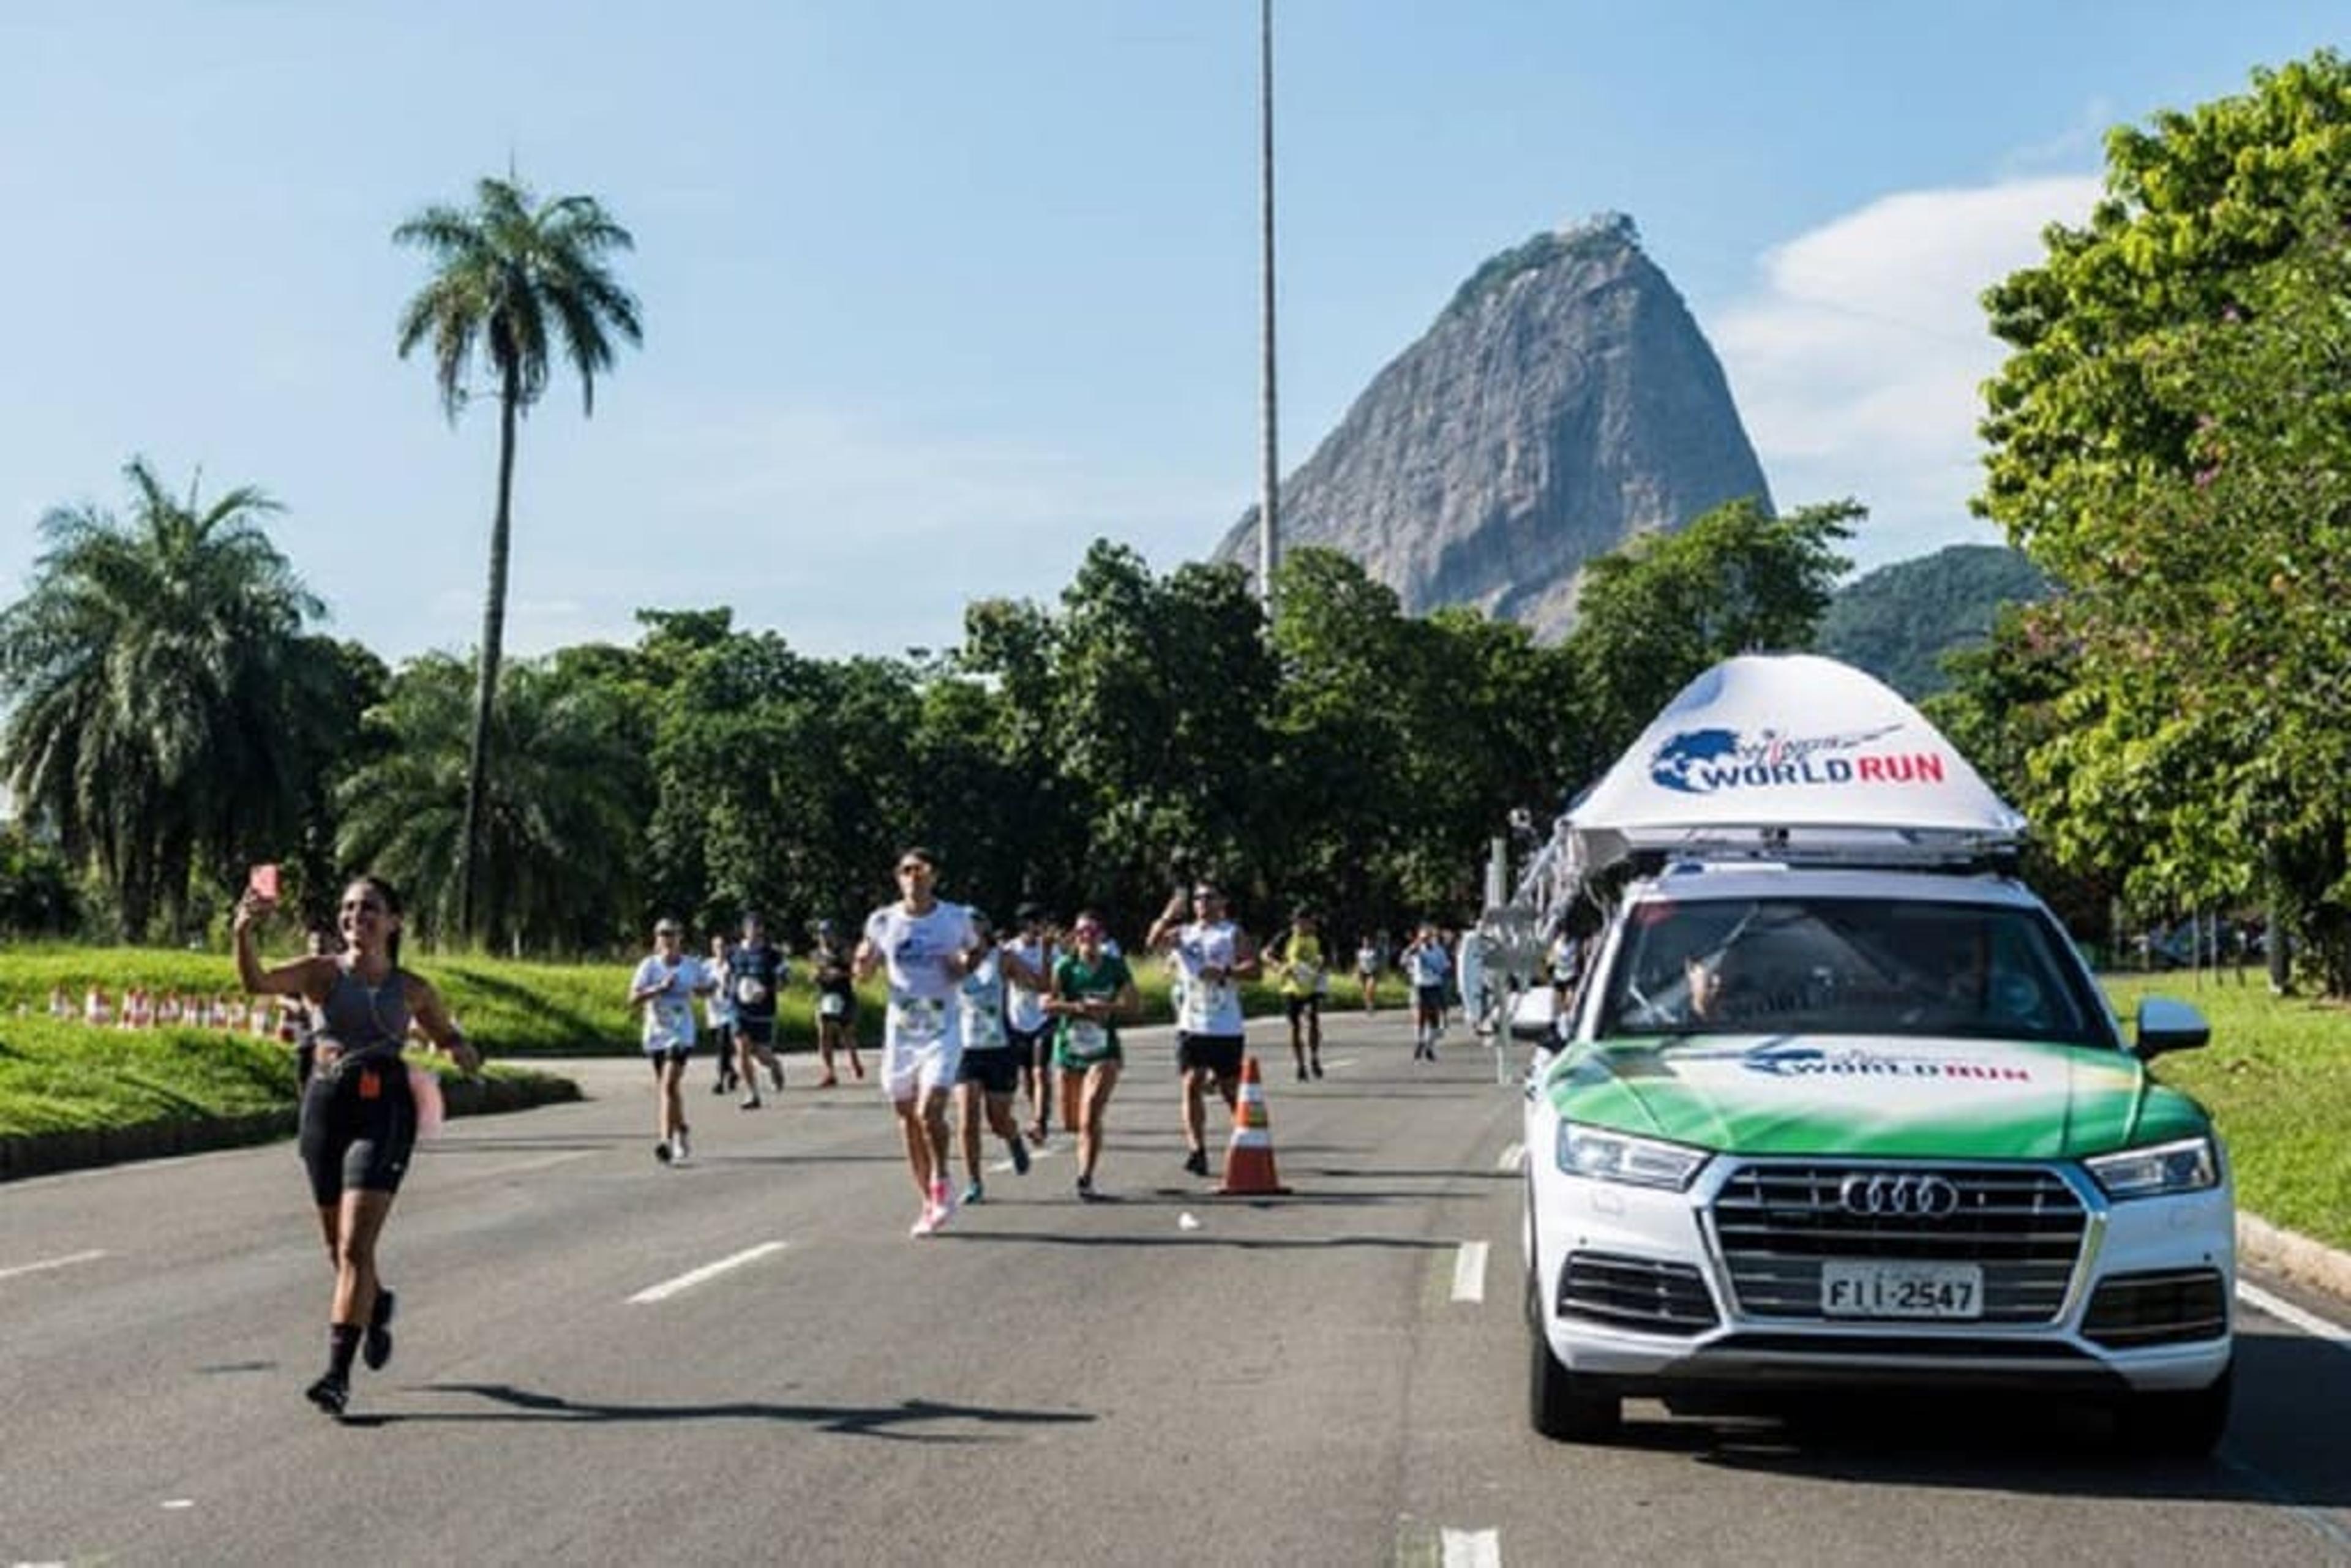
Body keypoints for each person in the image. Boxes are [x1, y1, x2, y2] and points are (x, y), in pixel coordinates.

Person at [234, 873, 479, 1420]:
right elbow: (257, 982)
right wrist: (243, 933)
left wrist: (463, 1048)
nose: (355, 917)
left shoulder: (411, 988)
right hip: (325, 1108)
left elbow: (444, 1033)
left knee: (352, 1248)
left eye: (369, 908)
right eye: (348, 908)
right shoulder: (321, 974)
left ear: (393, 921)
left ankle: (337, 1376)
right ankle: (378, 1302)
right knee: (338, 1251)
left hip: (384, 1111)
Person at [854, 847, 983, 1237]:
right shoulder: (882, 921)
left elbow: (978, 953)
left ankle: (942, 1182)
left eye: (921, 870)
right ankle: (927, 1200)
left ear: (934, 876)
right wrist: (861, 964)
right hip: (902, 1032)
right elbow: (865, 970)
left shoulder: (955, 918)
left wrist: (962, 966)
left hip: (942, 1027)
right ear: (898, 877)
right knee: (907, 1116)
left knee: (930, 1110)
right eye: (907, 870)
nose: (914, 877)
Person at [1146, 880, 1260, 1179]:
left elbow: (1255, 970)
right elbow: (1153, 943)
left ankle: (1251, 1145)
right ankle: (1197, 1151)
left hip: (1225, 1025)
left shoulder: (1232, 932)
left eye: (1209, 897)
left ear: (1222, 902)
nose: (1202, 903)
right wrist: (1169, 913)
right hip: (1191, 1023)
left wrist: (1225, 972)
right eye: (1198, 898)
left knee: (1229, 1090)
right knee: (1191, 1083)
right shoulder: (1184, 933)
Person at [1046, 909, 1139, 1200]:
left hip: (1104, 1050)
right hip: (1070, 1049)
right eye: (1081, 932)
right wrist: (1077, 1009)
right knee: (1072, 1122)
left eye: (1092, 931)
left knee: (1089, 1118)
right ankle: (1087, 1143)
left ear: (1101, 936)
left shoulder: (1114, 966)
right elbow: (1047, 1004)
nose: (1087, 937)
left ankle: (1085, 1178)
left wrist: (1107, 1009)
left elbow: (1134, 1005)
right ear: (1075, 937)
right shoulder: (1064, 967)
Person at [953, 912, 1035, 1204]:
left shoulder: (1003, 958)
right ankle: (974, 1181)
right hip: (965, 1049)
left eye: (973, 926)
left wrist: (1044, 961)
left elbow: (1039, 984)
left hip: (1000, 1048)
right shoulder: (952, 960)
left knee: (998, 1120)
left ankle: (1013, 1138)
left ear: (984, 929)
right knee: (967, 1117)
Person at [629, 918, 716, 1166]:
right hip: (657, 1033)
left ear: (680, 938)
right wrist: (658, 988)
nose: (667, 939)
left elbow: (706, 988)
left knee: (668, 1085)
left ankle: (665, 1142)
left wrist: (708, 988)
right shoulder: (649, 966)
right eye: (662, 934)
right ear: (657, 939)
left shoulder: (690, 965)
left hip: (682, 1033)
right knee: (669, 1089)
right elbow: (633, 998)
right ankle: (682, 1129)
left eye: (672, 934)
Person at [1003, 902, 1058, 1143]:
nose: (1039, 929)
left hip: (1044, 1016)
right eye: (1034, 924)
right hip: (1018, 1019)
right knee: (1027, 1075)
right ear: (1024, 925)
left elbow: (1047, 986)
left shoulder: (1052, 951)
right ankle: (1038, 1112)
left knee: (1040, 1071)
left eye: (1041, 924)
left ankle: (1040, 1122)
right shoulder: (1010, 950)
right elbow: (1009, 980)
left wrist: (1046, 954)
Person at [724, 912, 790, 1109]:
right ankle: (752, 1094)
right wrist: (727, 989)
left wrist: (769, 989)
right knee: (742, 1049)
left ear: (762, 930)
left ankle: (774, 1065)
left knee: (761, 1054)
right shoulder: (734, 952)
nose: (753, 931)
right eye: (750, 927)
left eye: (757, 927)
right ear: (744, 930)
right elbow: (727, 975)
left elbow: (785, 979)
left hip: (763, 1011)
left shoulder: (772, 954)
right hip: (739, 1008)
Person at [1269, 909, 1327, 1081]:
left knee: (1313, 1022)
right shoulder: (1285, 936)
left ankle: (1314, 1057)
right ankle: (1300, 1065)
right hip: (1291, 988)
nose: (1302, 926)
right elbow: (1266, 954)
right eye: (1298, 922)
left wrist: (1321, 966)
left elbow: (1326, 960)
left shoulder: (1319, 938)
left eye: (1306, 922)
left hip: (1312, 988)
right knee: (1295, 1028)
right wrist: (1279, 967)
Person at [808, 919, 864, 1087]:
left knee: (846, 1034)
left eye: (827, 933)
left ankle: (854, 1060)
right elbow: (812, 975)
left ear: (834, 934)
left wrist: (838, 974)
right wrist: (816, 976)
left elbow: (855, 973)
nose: (824, 936)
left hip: (843, 996)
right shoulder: (816, 954)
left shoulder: (844, 951)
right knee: (823, 1033)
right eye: (821, 933)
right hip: (824, 997)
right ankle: (829, 1072)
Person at [1401, 923, 1451, 1060]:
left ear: (1432, 938)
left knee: (1434, 1020)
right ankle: (1419, 1041)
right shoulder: (1415, 950)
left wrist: (1444, 983)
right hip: (1419, 986)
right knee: (1420, 1017)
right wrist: (1412, 950)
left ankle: (1429, 1046)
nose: (1425, 940)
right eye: (1423, 938)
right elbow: (1403, 961)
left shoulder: (1439, 951)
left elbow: (1445, 968)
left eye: (1428, 937)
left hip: (1434, 987)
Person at [704, 934, 740, 1097]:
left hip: (730, 1010)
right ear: (713, 949)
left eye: (724, 946)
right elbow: (699, 985)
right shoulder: (707, 966)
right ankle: (732, 1072)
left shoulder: (733, 965)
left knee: (723, 1044)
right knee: (720, 1046)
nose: (721, 950)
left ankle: (719, 1080)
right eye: (717, 946)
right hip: (713, 1011)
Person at [1355, 933, 1382, 1014]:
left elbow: (1378, 963)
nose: (1366, 943)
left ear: (1370, 942)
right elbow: (1358, 963)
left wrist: (1379, 972)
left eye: (1367, 941)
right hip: (1363, 972)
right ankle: (1368, 1006)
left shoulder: (1373, 952)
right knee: (1365, 991)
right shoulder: (1360, 952)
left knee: (1370, 990)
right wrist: (1357, 973)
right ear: (1363, 943)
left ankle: (1371, 1005)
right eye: (1365, 941)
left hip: (1372, 972)